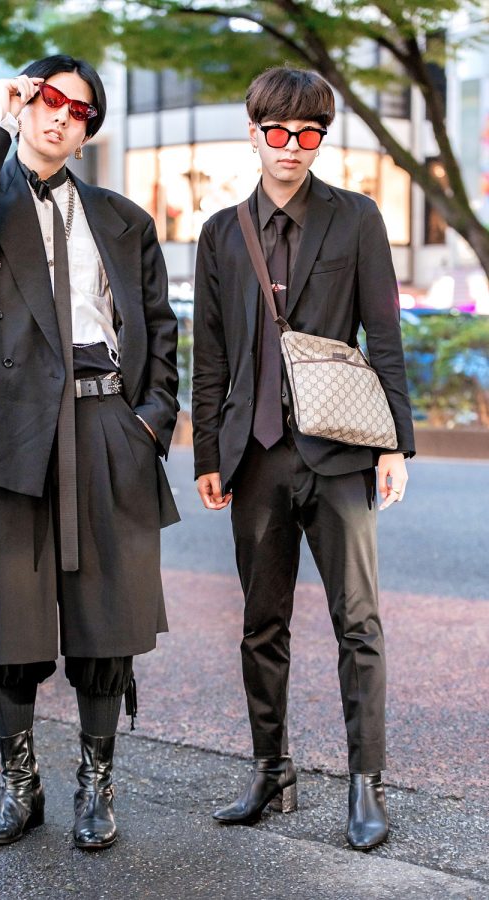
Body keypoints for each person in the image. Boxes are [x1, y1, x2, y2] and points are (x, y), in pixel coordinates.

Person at [0, 54, 179, 851]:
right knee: (10, 613)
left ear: (89, 130)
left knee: (107, 618)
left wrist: (152, 419)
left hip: (109, 424)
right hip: (12, 431)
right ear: (23, 102)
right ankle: (20, 783)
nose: (62, 115)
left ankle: (96, 786)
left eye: (80, 109)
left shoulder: (122, 219)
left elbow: (159, 328)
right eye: (47, 99)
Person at [192, 67, 414, 850]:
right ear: (252, 133)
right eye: (277, 132)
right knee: (261, 624)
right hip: (253, 456)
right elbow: (210, 354)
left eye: (309, 133)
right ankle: (269, 771)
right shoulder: (222, 232)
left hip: (343, 454)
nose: (291, 147)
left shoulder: (356, 218)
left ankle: (366, 783)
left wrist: (394, 444)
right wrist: (207, 453)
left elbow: (382, 335)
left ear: (323, 138)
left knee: (358, 621)